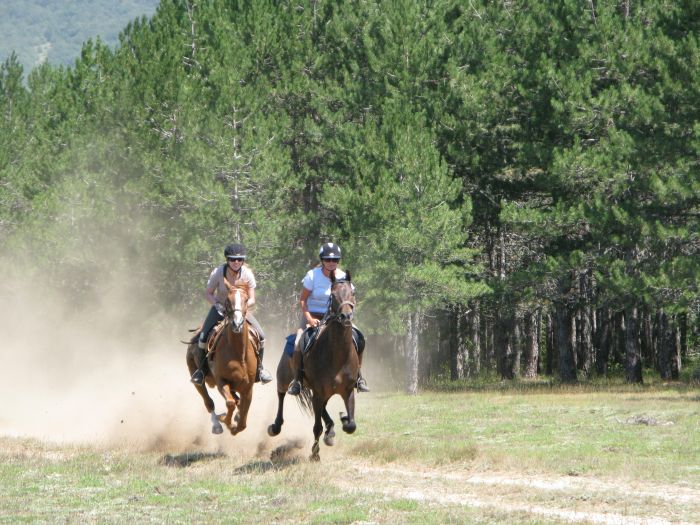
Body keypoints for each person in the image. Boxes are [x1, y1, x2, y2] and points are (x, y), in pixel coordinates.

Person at [286, 242, 370, 395]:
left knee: (360, 338)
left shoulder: (343, 277)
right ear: (322, 260)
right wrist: (309, 319)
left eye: (335, 260)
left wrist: (349, 312)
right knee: (298, 342)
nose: (331, 263)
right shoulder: (312, 276)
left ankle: (358, 376)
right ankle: (297, 380)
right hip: (313, 315)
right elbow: (303, 300)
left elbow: (352, 298)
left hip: (336, 317)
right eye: (328, 260)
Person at [190, 243, 273, 386]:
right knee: (203, 337)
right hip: (220, 308)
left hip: (240, 310)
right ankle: (202, 371)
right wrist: (217, 304)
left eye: (239, 259)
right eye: (233, 259)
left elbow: (252, 298)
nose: (236, 262)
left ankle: (259, 370)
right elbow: (208, 293)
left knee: (262, 335)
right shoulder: (218, 272)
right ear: (227, 260)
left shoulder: (247, 274)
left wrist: (242, 307)